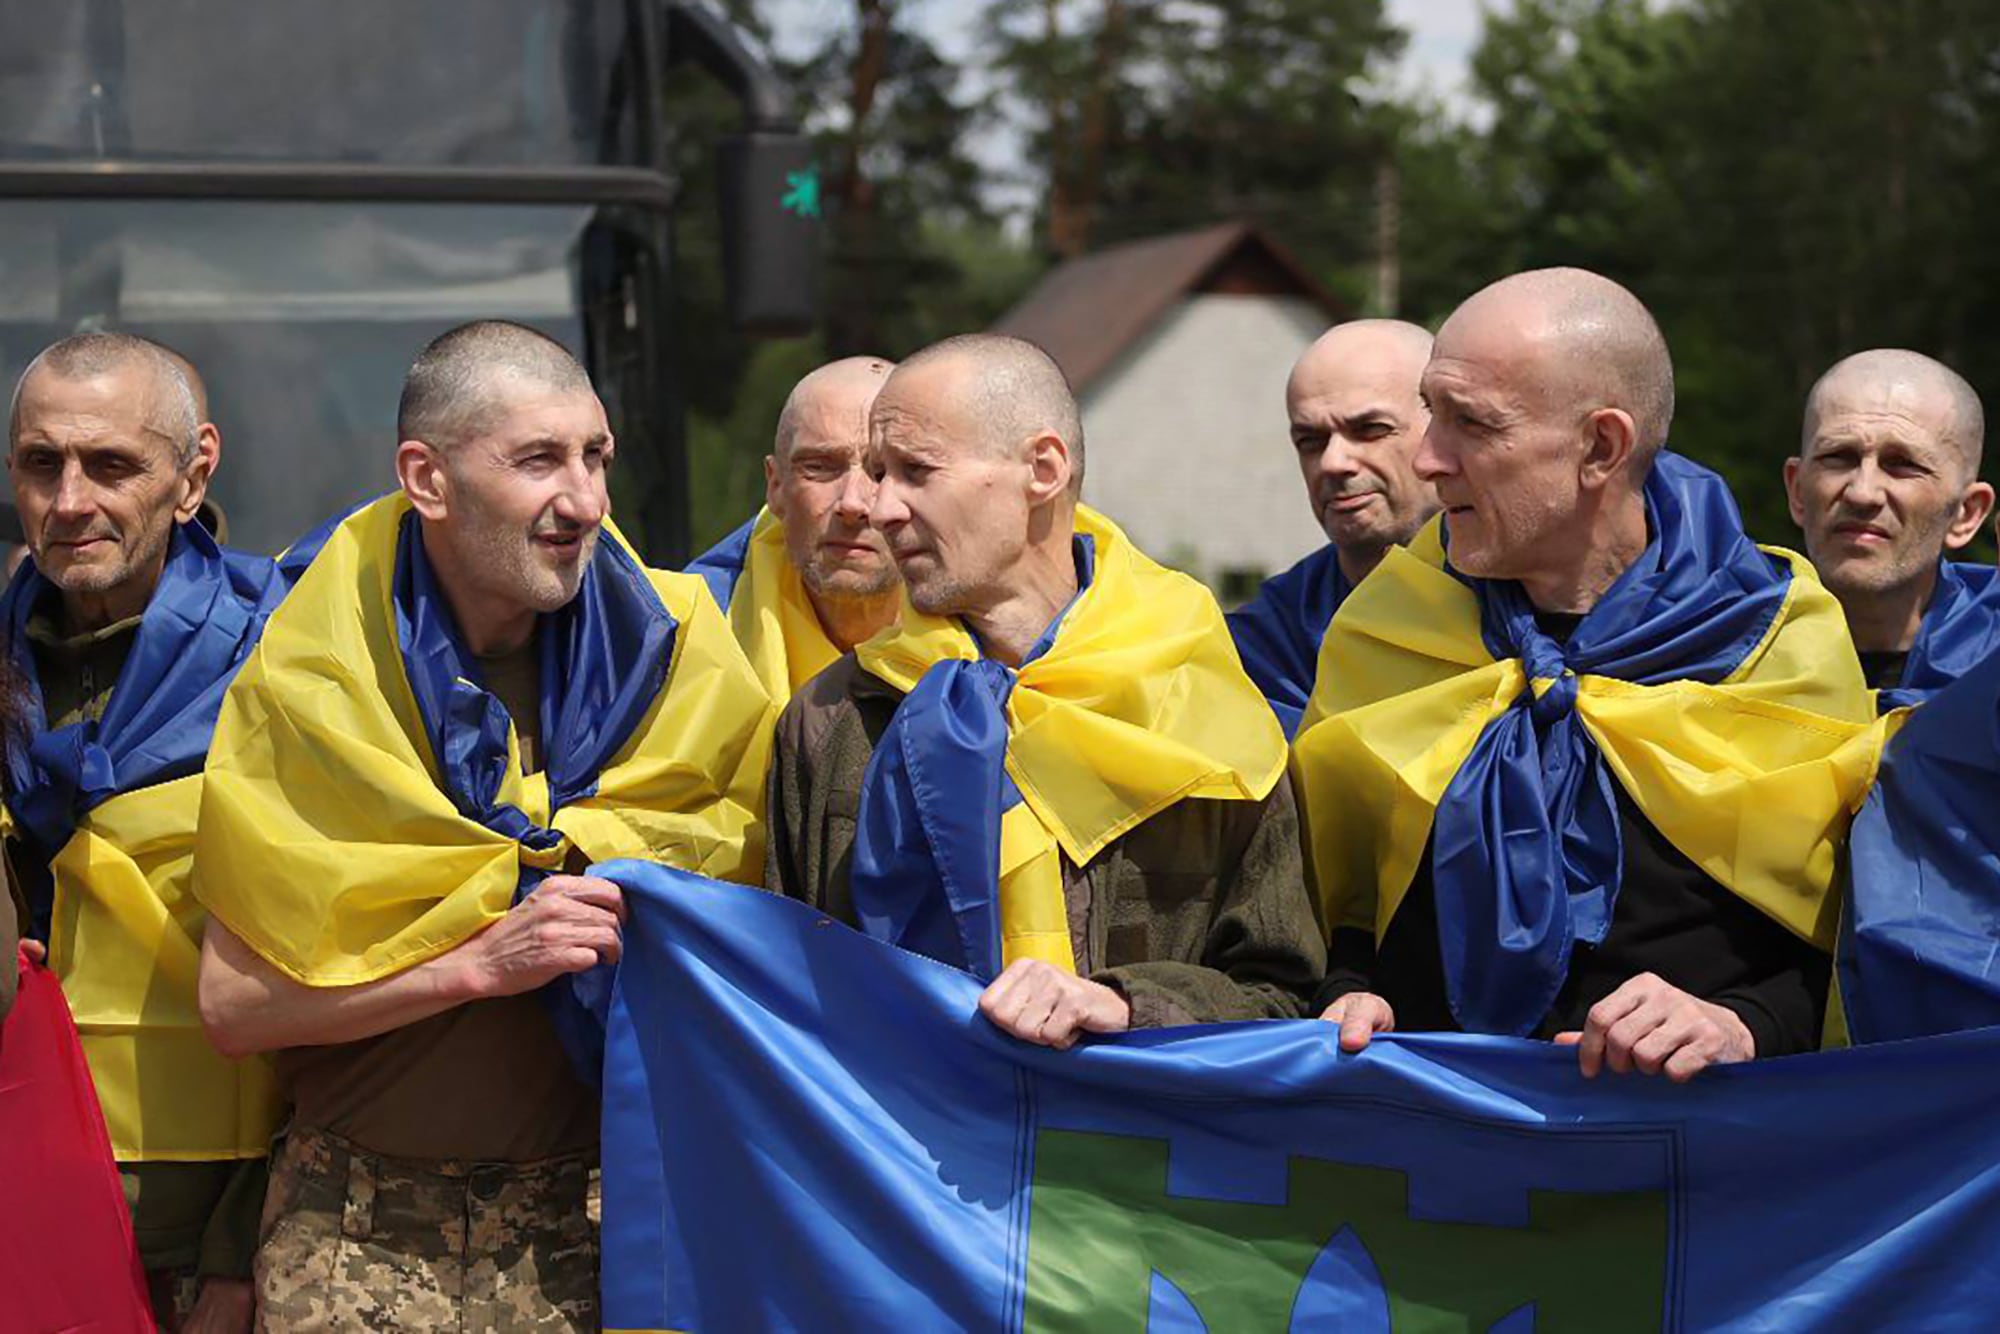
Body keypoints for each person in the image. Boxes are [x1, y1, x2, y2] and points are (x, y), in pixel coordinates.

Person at [191, 321, 773, 1331]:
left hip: (601, 1222)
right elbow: (236, 1008)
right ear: (428, 477)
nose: (585, 500)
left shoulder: (680, 659)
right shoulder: (316, 684)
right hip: (359, 1230)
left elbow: (756, 927)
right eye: (538, 459)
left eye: (595, 456)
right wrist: (477, 962)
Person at [1295, 269, 1879, 1082]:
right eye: (1432, 412)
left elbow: (1855, 940)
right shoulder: (1388, 628)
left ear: (1601, 447)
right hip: (1423, 1163)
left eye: (1471, 423)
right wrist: (1350, 989)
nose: (1428, 459)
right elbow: (1330, 904)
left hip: (1696, 1177)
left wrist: (1742, 1024)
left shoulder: (1781, 642)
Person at [766, 334, 1324, 1046]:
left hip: (1131, 1147)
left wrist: (1127, 1004)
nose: (879, 508)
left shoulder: (1204, 705)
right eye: (881, 473)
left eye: (915, 471)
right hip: (900, 1152)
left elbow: (1283, 998)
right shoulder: (833, 717)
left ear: (1043, 468)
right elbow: (782, 995)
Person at [3, 331, 288, 1331]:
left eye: (112, 465)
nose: (70, 500)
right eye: (42, 464)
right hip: (23, 1210)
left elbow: (350, 972)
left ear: (193, 470)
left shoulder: (292, 663)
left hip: (200, 1244)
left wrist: (247, 1246)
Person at [1227, 320, 1439, 735]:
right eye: (1310, 441)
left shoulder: (1538, 600)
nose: (1333, 462)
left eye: (1370, 430)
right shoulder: (1268, 645)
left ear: (1446, 429)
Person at [1785, 349, 1996, 708]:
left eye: (1902, 464)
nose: (1863, 493)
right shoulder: (1722, 652)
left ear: (1966, 513)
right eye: (1839, 456)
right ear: (1798, 491)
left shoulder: (1990, 679)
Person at [687, 357, 900, 701]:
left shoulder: (995, 630)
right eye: (819, 467)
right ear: (775, 486)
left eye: (882, 472)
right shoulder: (688, 636)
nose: (852, 504)